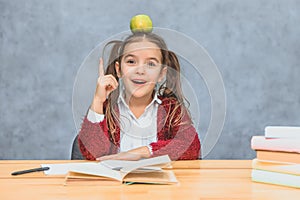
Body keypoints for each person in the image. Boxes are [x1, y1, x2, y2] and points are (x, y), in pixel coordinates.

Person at [78, 32, 200, 161]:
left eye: (151, 64)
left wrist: (143, 152)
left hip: (159, 181)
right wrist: (98, 100)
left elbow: (190, 146)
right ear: (119, 70)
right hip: (115, 181)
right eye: (131, 62)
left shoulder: (171, 109)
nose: (140, 71)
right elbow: (92, 154)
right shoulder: (105, 110)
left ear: (161, 74)